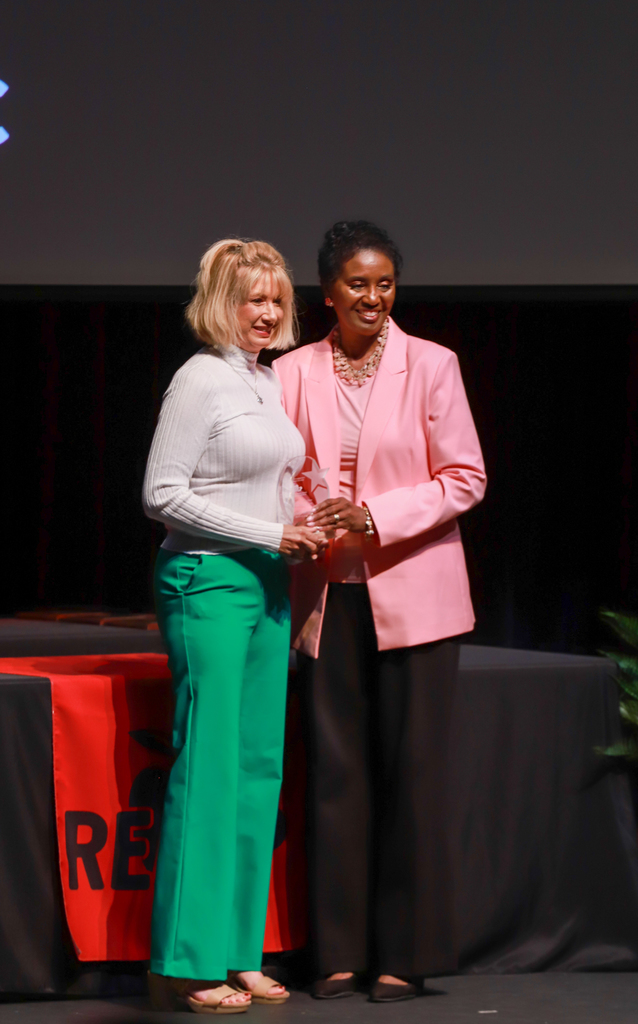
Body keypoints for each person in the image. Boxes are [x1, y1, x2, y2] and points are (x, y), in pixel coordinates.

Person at [274, 221, 486, 1003]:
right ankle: (334, 952)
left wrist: (374, 515)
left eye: (385, 283)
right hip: (326, 599)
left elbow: (465, 477)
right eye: (357, 284)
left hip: (417, 601)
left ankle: (404, 953)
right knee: (333, 777)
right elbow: (281, 465)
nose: (373, 297)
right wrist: (318, 506)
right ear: (328, 292)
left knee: (412, 775)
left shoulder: (432, 364)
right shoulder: (291, 370)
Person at [143, 238, 324, 1014]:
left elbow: (266, 486)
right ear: (221, 301)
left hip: (266, 585)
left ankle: (237, 950)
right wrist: (264, 535)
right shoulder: (199, 379)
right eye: (253, 298)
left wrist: (301, 523)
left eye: (277, 299)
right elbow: (161, 494)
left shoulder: (266, 380)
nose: (268, 312)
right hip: (207, 580)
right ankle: (185, 962)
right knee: (210, 769)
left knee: (257, 772)